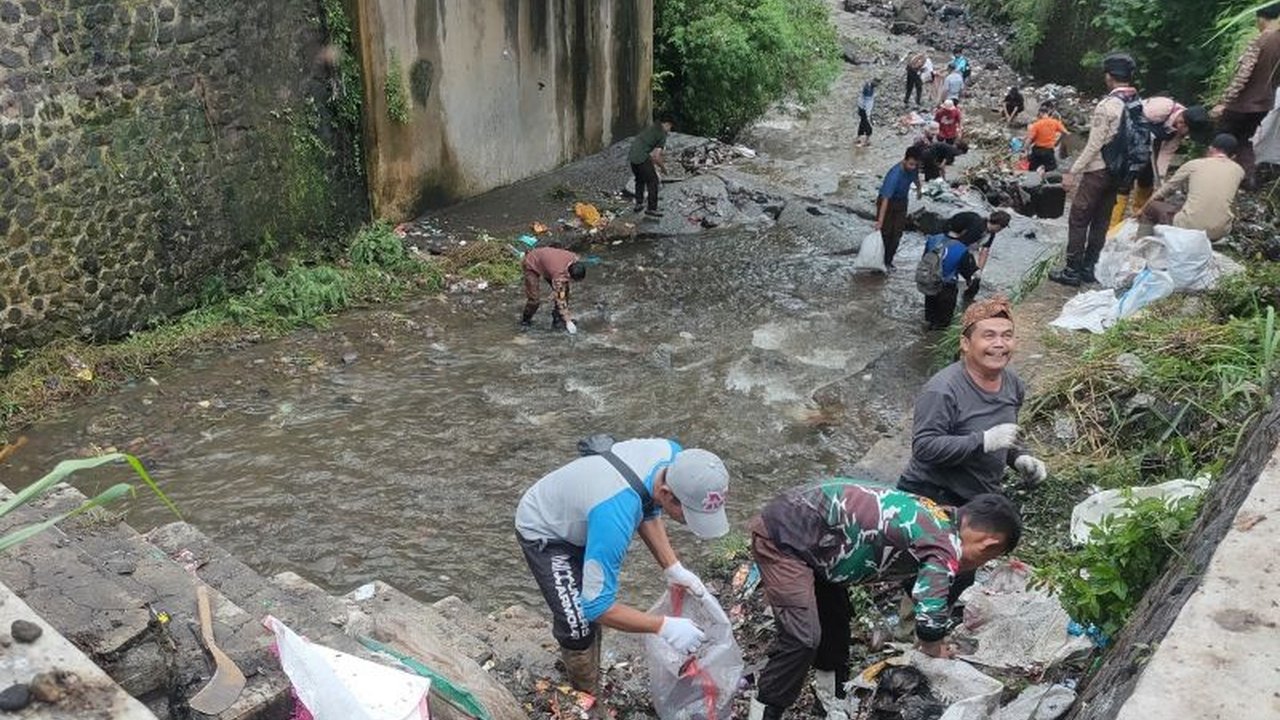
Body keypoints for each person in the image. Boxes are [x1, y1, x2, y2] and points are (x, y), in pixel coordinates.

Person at [746, 481, 1022, 720]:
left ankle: (830, 698)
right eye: (987, 558)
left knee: (835, 621)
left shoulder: (939, 516)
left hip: (820, 544)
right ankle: (765, 710)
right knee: (802, 638)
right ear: (988, 544)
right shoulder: (944, 542)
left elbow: (920, 582)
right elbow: (929, 613)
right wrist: (932, 646)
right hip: (785, 536)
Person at [515, 439, 730, 695]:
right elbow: (598, 606)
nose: (688, 521)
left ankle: (590, 675)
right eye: (689, 513)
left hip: (587, 511)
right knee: (578, 625)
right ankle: (587, 698)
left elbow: (648, 507)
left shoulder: (674, 457)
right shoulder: (614, 516)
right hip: (547, 531)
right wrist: (664, 626)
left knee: (588, 600)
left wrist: (673, 568)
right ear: (667, 494)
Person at [897, 297, 1046, 601]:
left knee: (962, 570)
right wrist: (983, 441)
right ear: (966, 343)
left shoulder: (1012, 384)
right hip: (932, 494)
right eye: (988, 336)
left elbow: (1009, 434)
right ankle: (913, 628)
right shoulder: (943, 389)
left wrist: (1020, 457)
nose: (999, 345)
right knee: (928, 573)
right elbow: (924, 446)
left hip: (977, 496)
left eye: (1007, 335)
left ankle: (944, 620)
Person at [1049, 53, 1141, 287]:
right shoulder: (1135, 102)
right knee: (1101, 220)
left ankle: (1072, 271)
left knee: (1079, 218)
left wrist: (1073, 170)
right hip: (1119, 172)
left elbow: (1094, 144)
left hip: (1098, 170)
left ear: (1109, 77)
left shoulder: (1107, 105)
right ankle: (1090, 268)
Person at [1212, 2, 1280, 188]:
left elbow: (1243, 75)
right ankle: (1247, 178)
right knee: (1244, 140)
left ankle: (1214, 178)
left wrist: (1225, 102)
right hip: (1265, 104)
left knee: (1221, 138)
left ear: (1260, 18)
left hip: (1242, 104)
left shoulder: (1260, 40)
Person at [1135, 133, 1245, 241]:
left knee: (1152, 207)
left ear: (1210, 149)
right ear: (1233, 157)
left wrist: (1142, 209)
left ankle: (1140, 246)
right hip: (1220, 231)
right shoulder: (1239, 171)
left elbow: (1166, 190)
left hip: (1189, 227)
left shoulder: (1194, 164)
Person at [920, 216, 979, 330]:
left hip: (930, 283)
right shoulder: (962, 249)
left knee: (929, 317)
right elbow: (965, 270)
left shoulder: (933, 239)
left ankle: (927, 332)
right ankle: (935, 341)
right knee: (944, 322)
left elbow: (925, 258)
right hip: (947, 287)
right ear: (964, 231)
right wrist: (969, 280)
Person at [876, 146, 924, 269]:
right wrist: (880, 221)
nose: (913, 167)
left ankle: (888, 261)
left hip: (902, 202)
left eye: (915, 165)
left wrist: (919, 189)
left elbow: (915, 178)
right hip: (888, 202)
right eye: (911, 164)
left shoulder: (913, 168)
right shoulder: (895, 175)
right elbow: (885, 199)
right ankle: (880, 261)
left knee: (897, 234)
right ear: (905, 160)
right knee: (885, 234)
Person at [521, 246, 587, 333]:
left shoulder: (574, 257)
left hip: (546, 263)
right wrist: (568, 320)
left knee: (565, 290)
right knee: (534, 300)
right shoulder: (559, 274)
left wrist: (556, 291)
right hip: (531, 264)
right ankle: (525, 321)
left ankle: (558, 318)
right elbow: (560, 298)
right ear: (569, 274)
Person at [629, 113, 674, 218]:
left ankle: (638, 203)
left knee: (640, 179)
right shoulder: (662, 134)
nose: (670, 130)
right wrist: (663, 168)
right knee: (653, 180)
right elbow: (656, 156)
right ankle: (652, 209)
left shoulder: (653, 126)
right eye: (670, 127)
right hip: (641, 157)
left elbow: (648, 149)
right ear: (667, 124)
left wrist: (652, 164)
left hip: (632, 155)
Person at [962, 211, 1012, 301]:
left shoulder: (991, 233)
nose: (1001, 230)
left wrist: (979, 271)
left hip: (970, 251)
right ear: (998, 225)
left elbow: (984, 251)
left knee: (976, 281)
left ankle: (967, 302)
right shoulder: (977, 226)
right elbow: (962, 245)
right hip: (960, 250)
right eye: (1002, 227)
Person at [1024, 103, 1068, 172]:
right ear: (1048, 113)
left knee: (1032, 170)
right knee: (1051, 170)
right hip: (1049, 151)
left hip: (1037, 150)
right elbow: (1065, 133)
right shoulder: (1055, 122)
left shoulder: (1036, 124)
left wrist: (1025, 150)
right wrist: (1057, 142)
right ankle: (1047, 181)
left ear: (1040, 113)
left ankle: (1034, 181)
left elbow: (1029, 140)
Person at [856, 80, 878, 147]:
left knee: (862, 124)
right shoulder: (868, 93)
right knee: (869, 128)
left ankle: (858, 138)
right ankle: (866, 141)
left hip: (861, 109)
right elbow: (868, 104)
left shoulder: (867, 87)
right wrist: (869, 117)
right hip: (865, 111)